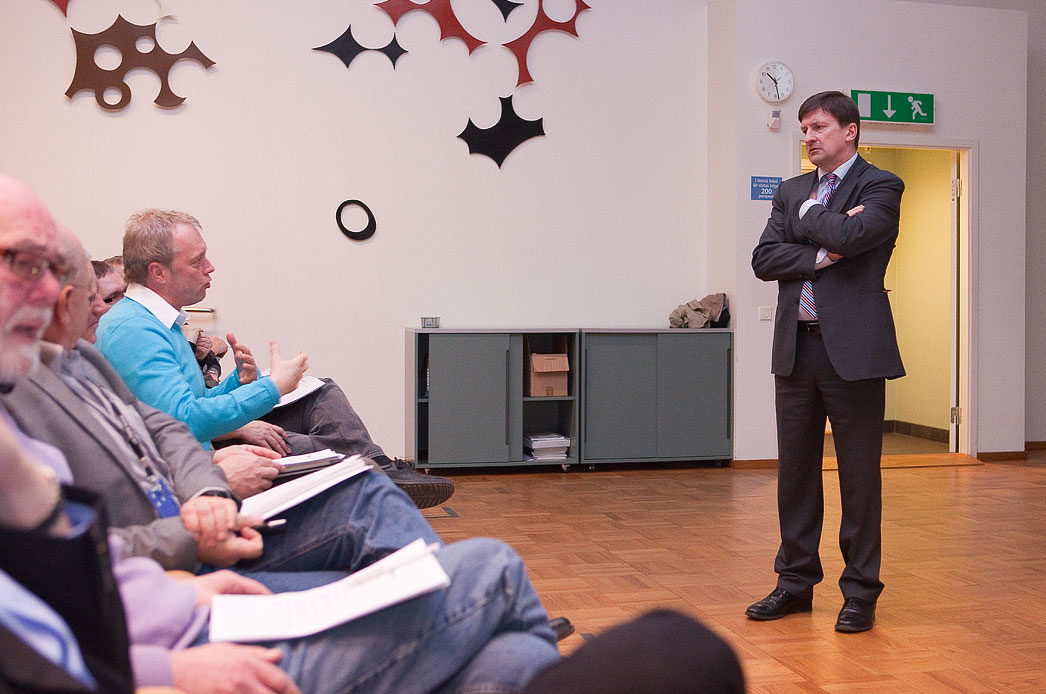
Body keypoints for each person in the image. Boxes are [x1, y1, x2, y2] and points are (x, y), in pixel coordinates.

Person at [0, 173, 561, 694]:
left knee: (502, 644)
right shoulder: (99, 347)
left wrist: (212, 478)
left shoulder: (79, 361)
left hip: (182, 568)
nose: (66, 298)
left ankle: (433, 593)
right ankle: (442, 600)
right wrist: (263, 397)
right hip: (180, 584)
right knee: (483, 566)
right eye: (26, 266)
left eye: (56, 275)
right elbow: (179, 427)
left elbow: (164, 425)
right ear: (159, 272)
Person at [95, 210, 454, 508]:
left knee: (325, 404)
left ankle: (382, 476)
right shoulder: (133, 329)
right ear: (158, 272)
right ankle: (381, 480)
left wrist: (238, 382)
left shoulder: (158, 322)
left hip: (199, 456)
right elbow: (185, 422)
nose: (210, 267)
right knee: (338, 460)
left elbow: (192, 403)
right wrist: (271, 388)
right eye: (197, 261)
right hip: (195, 472)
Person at [749, 91, 905, 633]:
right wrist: (824, 252)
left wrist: (813, 216)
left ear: (850, 130)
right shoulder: (791, 189)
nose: (809, 138)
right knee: (795, 475)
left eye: (818, 127)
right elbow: (764, 259)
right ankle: (794, 584)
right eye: (804, 130)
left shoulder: (881, 185)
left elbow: (855, 234)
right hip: (797, 349)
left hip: (855, 354)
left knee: (859, 477)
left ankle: (860, 592)